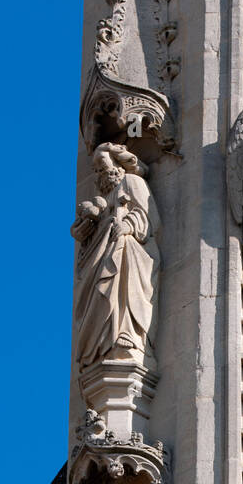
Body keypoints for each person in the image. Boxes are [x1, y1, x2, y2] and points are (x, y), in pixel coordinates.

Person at [71, 142, 162, 369]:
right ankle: (102, 343)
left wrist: (128, 226)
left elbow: (147, 217)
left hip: (128, 249)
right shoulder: (101, 198)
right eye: (96, 169)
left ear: (117, 163)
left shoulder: (132, 182)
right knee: (101, 286)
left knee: (125, 249)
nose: (99, 172)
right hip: (102, 253)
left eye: (102, 165)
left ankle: (127, 334)